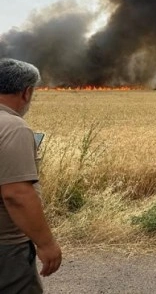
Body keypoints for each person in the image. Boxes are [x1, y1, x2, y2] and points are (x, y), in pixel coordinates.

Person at [0, 58, 62, 293]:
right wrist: (46, 244)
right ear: (26, 92)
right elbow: (16, 194)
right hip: (5, 249)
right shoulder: (13, 127)